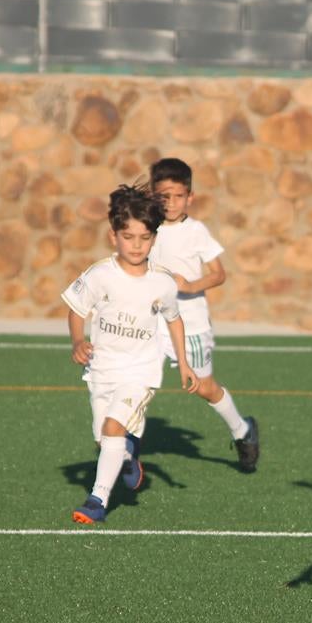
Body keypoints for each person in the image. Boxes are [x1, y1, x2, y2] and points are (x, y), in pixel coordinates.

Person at [62, 184, 197, 524]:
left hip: (141, 373)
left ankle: (97, 500)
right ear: (113, 237)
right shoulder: (99, 275)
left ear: (154, 239)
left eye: (144, 237)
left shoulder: (162, 282)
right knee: (105, 438)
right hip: (101, 371)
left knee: (112, 426)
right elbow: (77, 311)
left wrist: (184, 364)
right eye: (128, 236)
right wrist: (78, 341)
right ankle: (128, 455)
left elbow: (174, 320)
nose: (136, 245)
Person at [148, 157, 259, 475]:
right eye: (163, 196)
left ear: (190, 198)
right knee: (140, 384)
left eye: (178, 196)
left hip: (191, 324)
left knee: (204, 387)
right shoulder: (146, 227)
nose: (170, 203)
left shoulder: (196, 231)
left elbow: (219, 273)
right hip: (152, 324)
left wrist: (190, 285)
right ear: (153, 196)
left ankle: (242, 431)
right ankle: (124, 449)